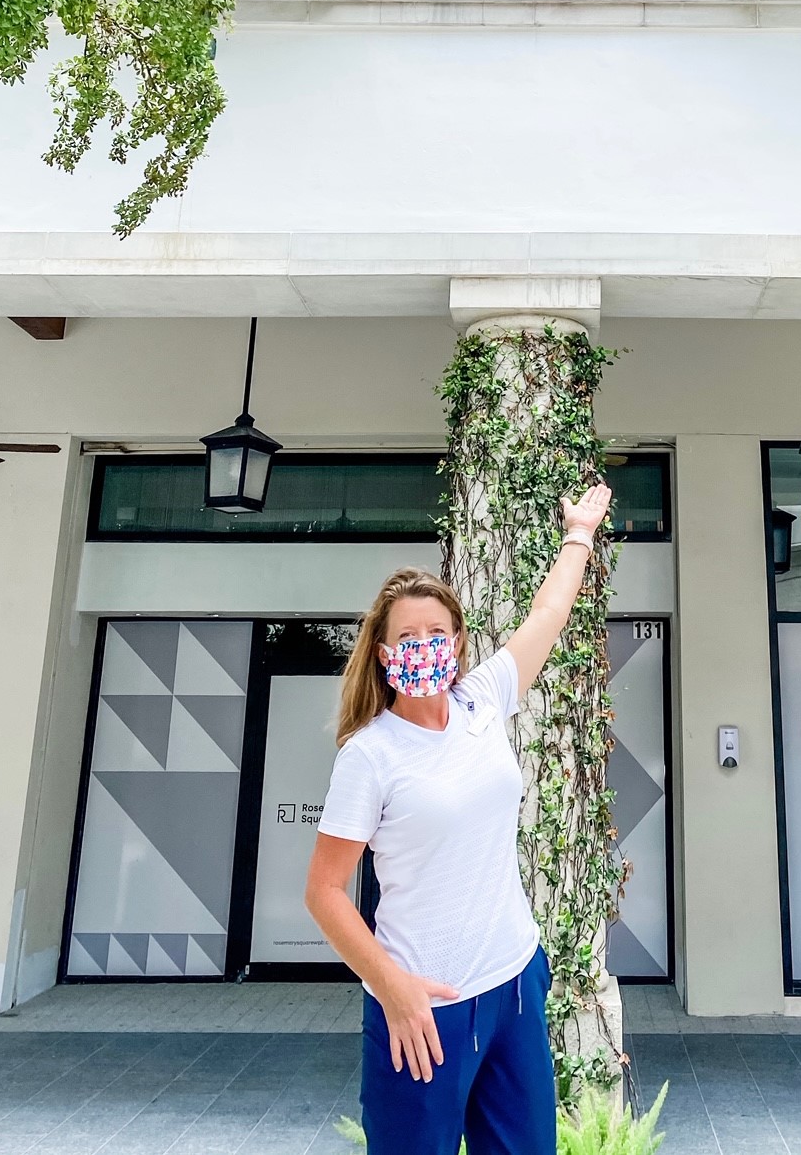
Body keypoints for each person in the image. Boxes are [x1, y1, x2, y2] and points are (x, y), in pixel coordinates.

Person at [304, 482, 613, 1155]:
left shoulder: (482, 701)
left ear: (457, 642)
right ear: (385, 656)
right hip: (424, 1003)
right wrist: (391, 987)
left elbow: (547, 615)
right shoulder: (371, 755)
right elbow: (324, 891)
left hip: (515, 982)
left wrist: (579, 533)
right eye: (406, 637)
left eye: (435, 633)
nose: (423, 646)